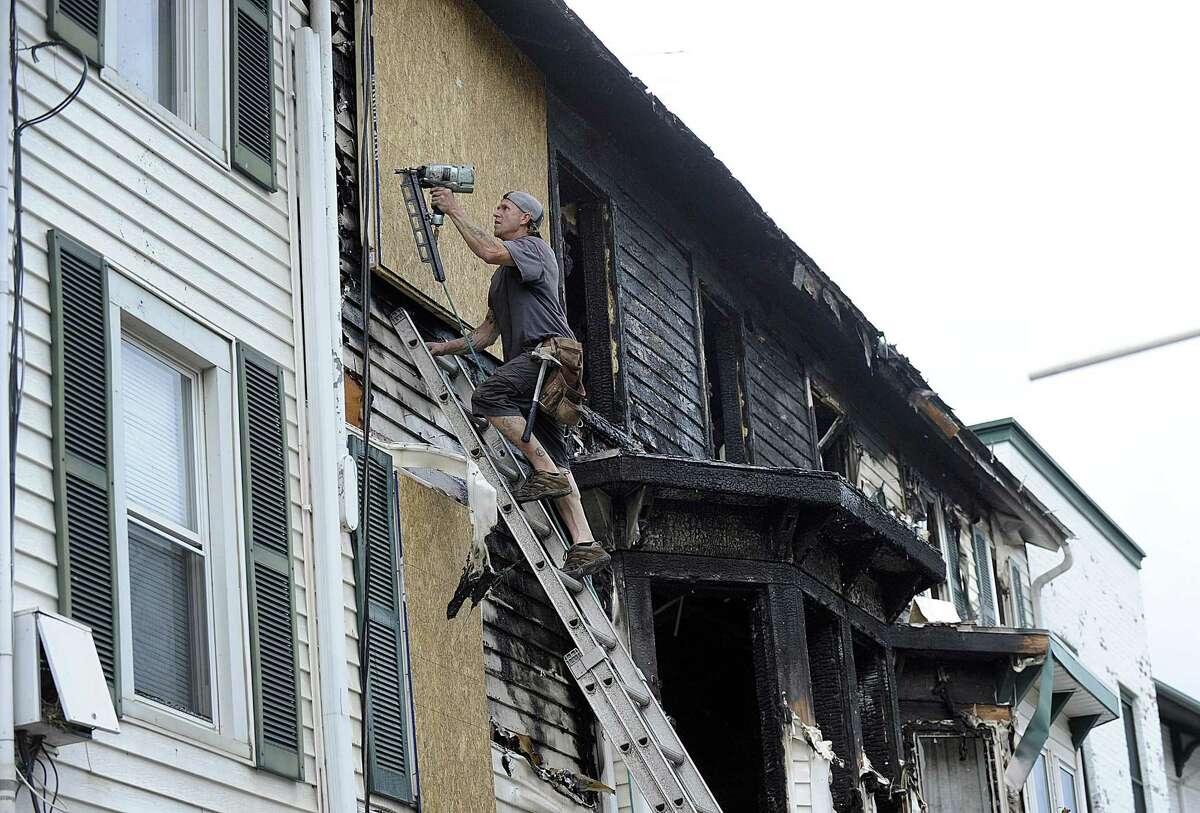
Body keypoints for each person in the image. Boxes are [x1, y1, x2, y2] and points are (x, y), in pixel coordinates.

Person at [425, 187, 611, 579]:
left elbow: (490, 251)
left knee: (488, 396)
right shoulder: (501, 281)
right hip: (533, 371)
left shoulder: (535, 250)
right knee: (560, 463)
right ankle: (584, 544)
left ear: (525, 219)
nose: (497, 212)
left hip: (549, 356)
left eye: (504, 208)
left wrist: (455, 209)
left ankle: (542, 470)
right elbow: (484, 335)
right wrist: (443, 348)